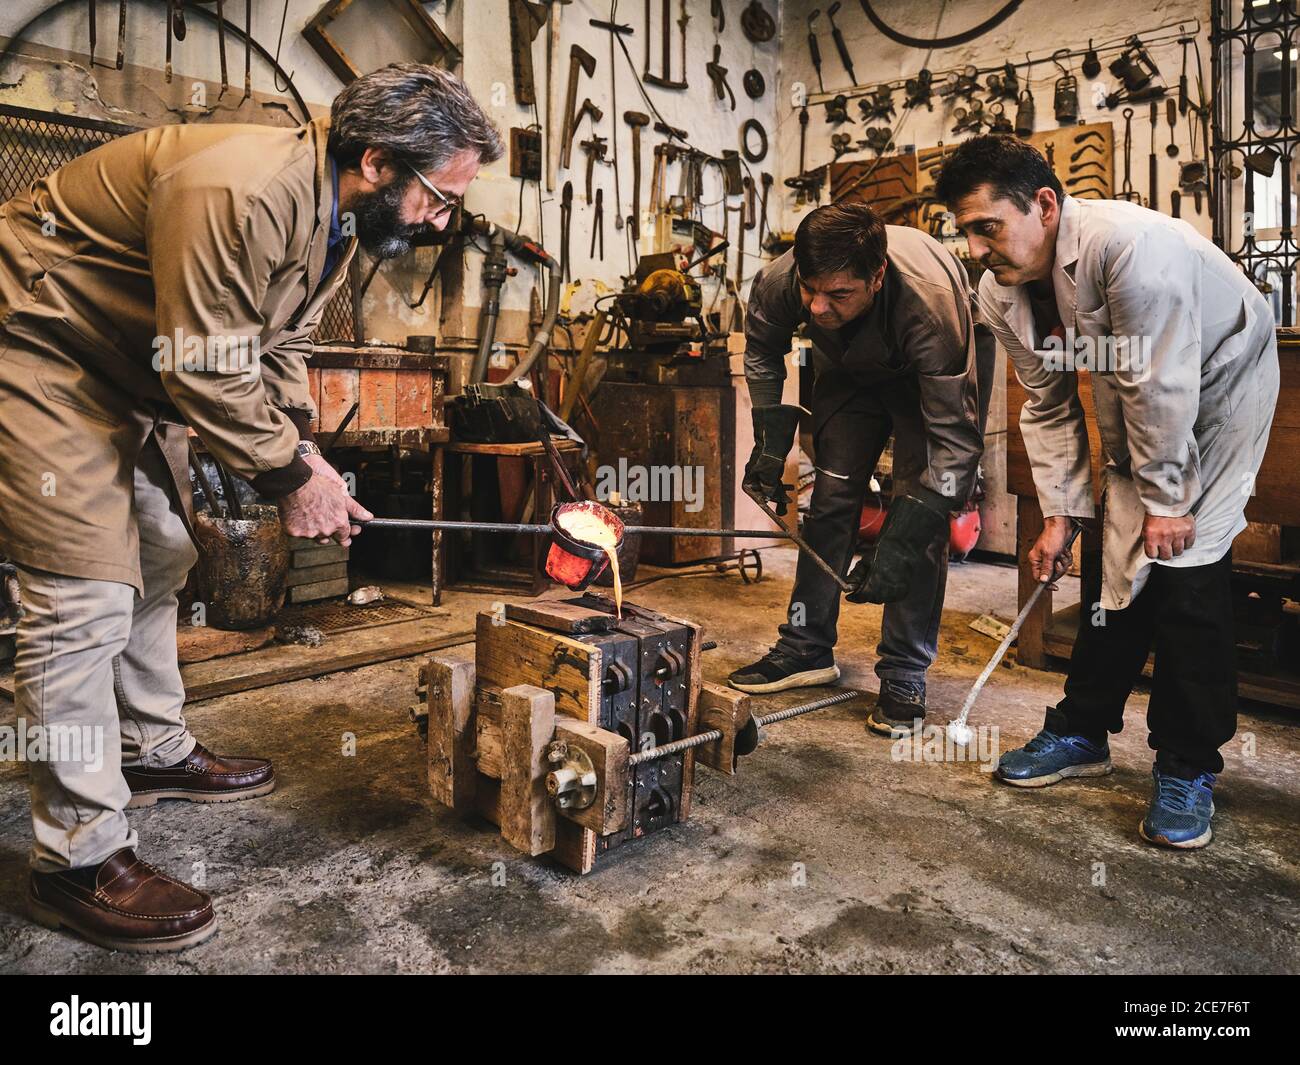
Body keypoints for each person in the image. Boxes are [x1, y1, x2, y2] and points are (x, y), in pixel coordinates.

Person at [0, 64, 503, 950]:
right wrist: (286, 477)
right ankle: (77, 859)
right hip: (41, 340)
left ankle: (148, 749)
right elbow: (202, 364)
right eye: (439, 196)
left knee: (160, 548)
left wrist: (304, 449)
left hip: (126, 360)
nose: (443, 220)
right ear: (381, 162)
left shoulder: (340, 214)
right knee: (81, 594)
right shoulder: (242, 188)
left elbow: (280, 339)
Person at [935, 134, 1279, 849]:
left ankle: (1188, 763)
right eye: (965, 231)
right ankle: (1083, 729)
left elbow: (1162, 383)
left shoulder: (1133, 250)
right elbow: (1048, 402)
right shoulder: (1000, 289)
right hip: (1146, 394)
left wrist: (1168, 501)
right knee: (1111, 561)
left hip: (1219, 381)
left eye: (986, 227)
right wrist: (1062, 513)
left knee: (1186, 569)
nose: (974, 248)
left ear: (1045, 204)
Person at [730, 201, 988, 738]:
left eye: (839, 295)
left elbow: (953, 445)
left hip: (927, 385)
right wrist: (770, 441)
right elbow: (761, 352)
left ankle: (904, 671)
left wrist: (904, 534)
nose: (818, 308)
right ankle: (806, 647)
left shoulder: (931, 308)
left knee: (918, 524)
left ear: (877, 277)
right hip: (848, 374)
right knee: (829, 504)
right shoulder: (782, 279)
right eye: (811, 290)